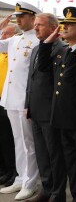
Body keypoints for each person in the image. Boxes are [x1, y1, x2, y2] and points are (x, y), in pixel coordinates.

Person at [37, 6, 76, 202]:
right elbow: (42, 68)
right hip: (61, 117)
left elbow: (74, 82)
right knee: (71, 165)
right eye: (64, 24)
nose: (65, 27)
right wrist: (47, 43)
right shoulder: (62, 50)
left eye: (71, 24)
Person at [0, 1, 41, 200]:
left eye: (22, 16)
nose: (18, 19)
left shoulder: (37, 41)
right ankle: (20, 178)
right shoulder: (15, 40)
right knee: (18, 141)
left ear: (33, 18)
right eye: (17, 16)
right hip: (10, 98)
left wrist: (31, 102)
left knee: (28, 143)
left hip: (26, 100)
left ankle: (30, 182)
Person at [25, 13, 68, 202]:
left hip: (51, 112)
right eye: (35, 25)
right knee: (42, 154)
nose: (35, 29)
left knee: (54, 155)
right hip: (36, 110)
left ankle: (57, 193)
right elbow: (31, 81)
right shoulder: (36, 49)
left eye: (39, 25)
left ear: (53, 27)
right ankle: (46, 189)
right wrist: (28, 105)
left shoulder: (61, 49)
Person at [0, 23, 20, 188]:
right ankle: (5, 170)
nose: (3, 38)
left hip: (12, 101)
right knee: (2, 139)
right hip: (2, 100)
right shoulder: (2, 55)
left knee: (11, 139)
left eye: (6, 34)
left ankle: (13, 172)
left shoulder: (15, 55)